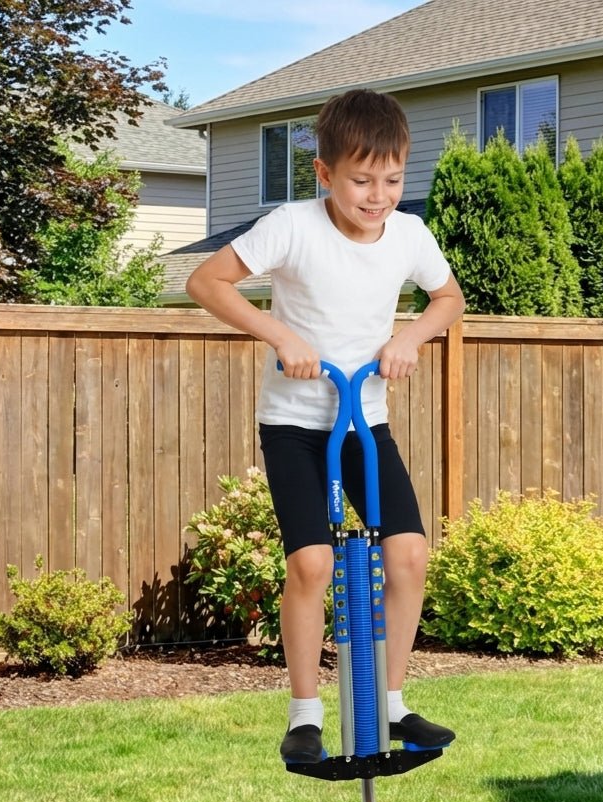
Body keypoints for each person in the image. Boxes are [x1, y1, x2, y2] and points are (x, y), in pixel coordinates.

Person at [187, 89, 465, 764]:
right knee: (312, 563)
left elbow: (448, 298)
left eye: (392, 179)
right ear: (324, 174)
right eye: (361, 180)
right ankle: (305, 713)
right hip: (296, 424)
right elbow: (207, 281)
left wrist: (413, 337)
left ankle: (393, 703)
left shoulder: (410, 235)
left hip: (364, 422)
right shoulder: (292, 226)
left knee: (408, 555)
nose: (378, 196)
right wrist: (280, 334)